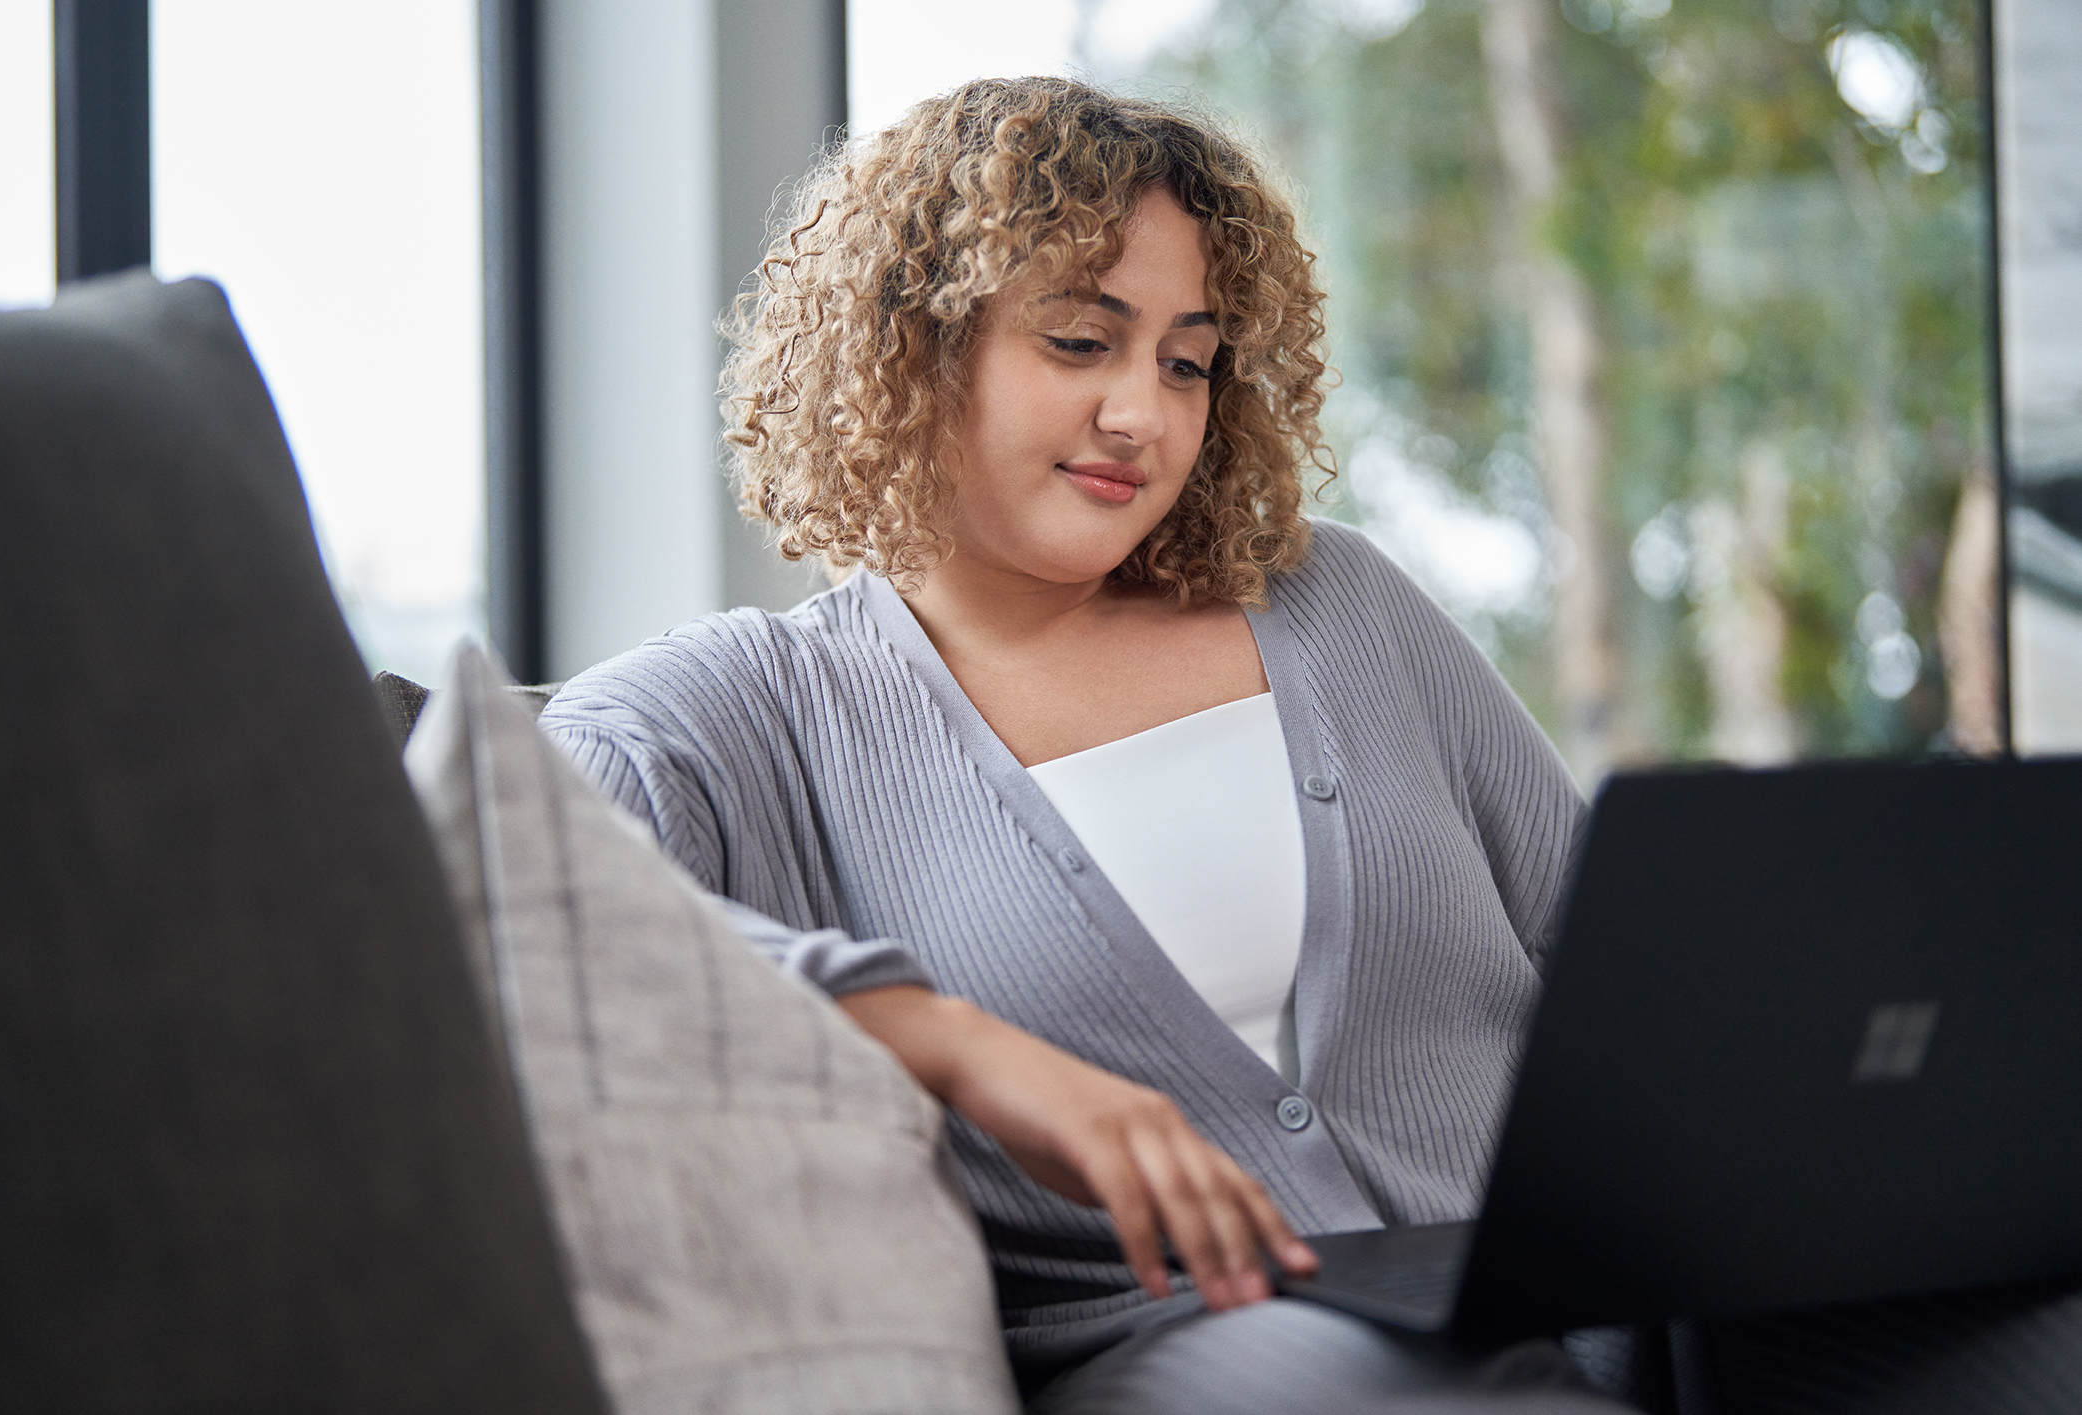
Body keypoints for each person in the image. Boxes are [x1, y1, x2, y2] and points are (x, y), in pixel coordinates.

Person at [537, 77, 2081, 1413]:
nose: (1142, 413)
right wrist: (958, 1045)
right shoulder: (741, 712)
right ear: (909, 347)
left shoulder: (1333, 600)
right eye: (1082, 340)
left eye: (1188, 359)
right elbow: (527, 915)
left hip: (1606, 1301)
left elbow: (1609, 949)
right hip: (1204, 1350)